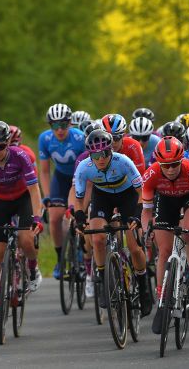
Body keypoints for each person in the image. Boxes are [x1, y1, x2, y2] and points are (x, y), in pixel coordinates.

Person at [69, 128, 152, 315]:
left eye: (105, 153)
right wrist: (80, 218)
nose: (101, 158)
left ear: (111, 151)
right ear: (90, 154)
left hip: (128, 196)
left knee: (134, 245)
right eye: (96, 154)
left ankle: (143, 286)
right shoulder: (84, 167)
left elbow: (142, 191)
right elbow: (79, 198)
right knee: (97, 239)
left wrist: (136, 215)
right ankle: (103, 280)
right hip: (102, 196)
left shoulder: (123, 161)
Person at [0, 120, 43, 326]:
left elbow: (34, 190)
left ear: (8, 144)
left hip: (23, 198)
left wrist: (37, 217)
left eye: (1, 147)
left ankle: (32, 269)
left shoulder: (21, 157)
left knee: (25, 238)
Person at [141, 136, 189, 334]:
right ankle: (162, 300)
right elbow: (146, 213)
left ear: (181, 160)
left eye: (174, 164)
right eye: (166, 165)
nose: (170, 169)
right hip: (165, 201)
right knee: (163, 250)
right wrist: (147, 232)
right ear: (158, 163)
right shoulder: (151, 173)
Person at [37, 103, 86, 280]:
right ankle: (60, 259)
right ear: (50, 126)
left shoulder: (80, 138)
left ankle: (81, 251)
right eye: (55, 126)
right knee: (54, 218)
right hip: (59, 178)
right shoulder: (45, 139)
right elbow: (43, 171)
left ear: (70, 123)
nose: (59, 130)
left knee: (74, 213)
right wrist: (47, 196)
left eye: (63, 125)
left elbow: (87, 167)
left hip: (77, 178)